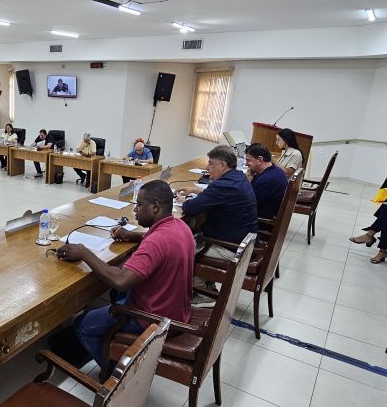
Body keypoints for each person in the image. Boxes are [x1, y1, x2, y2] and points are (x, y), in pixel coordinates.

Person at [55, 180, 195, 367]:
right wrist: (132, 235)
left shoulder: (156, 242)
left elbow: (120, 281)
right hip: (177, 312)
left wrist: (84, 252)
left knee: (83, 324)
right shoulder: (179, 226)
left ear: (155, 207)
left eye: (139, 205)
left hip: (152, 319)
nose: (135, 210)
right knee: (119, 295)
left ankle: (114, 374)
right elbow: (156, 240)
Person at [176, 145, 257, 260]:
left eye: (211, 163)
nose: (207, 167)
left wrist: (187, 200)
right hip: (244, 244)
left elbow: (190, 208)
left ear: (223, 165)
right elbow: (221, 196)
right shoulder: (239, 176)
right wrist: (196, 190)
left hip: (230, 249)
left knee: (175, 250)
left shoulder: (222, 185)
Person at [244, 143, 288, 220]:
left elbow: (245, 203)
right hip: (261, 212)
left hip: (259, 220)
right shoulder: (275, 170)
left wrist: (247, 181)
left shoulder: (268, 180)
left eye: (248, 160)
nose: (246, 164)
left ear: (260, 159)